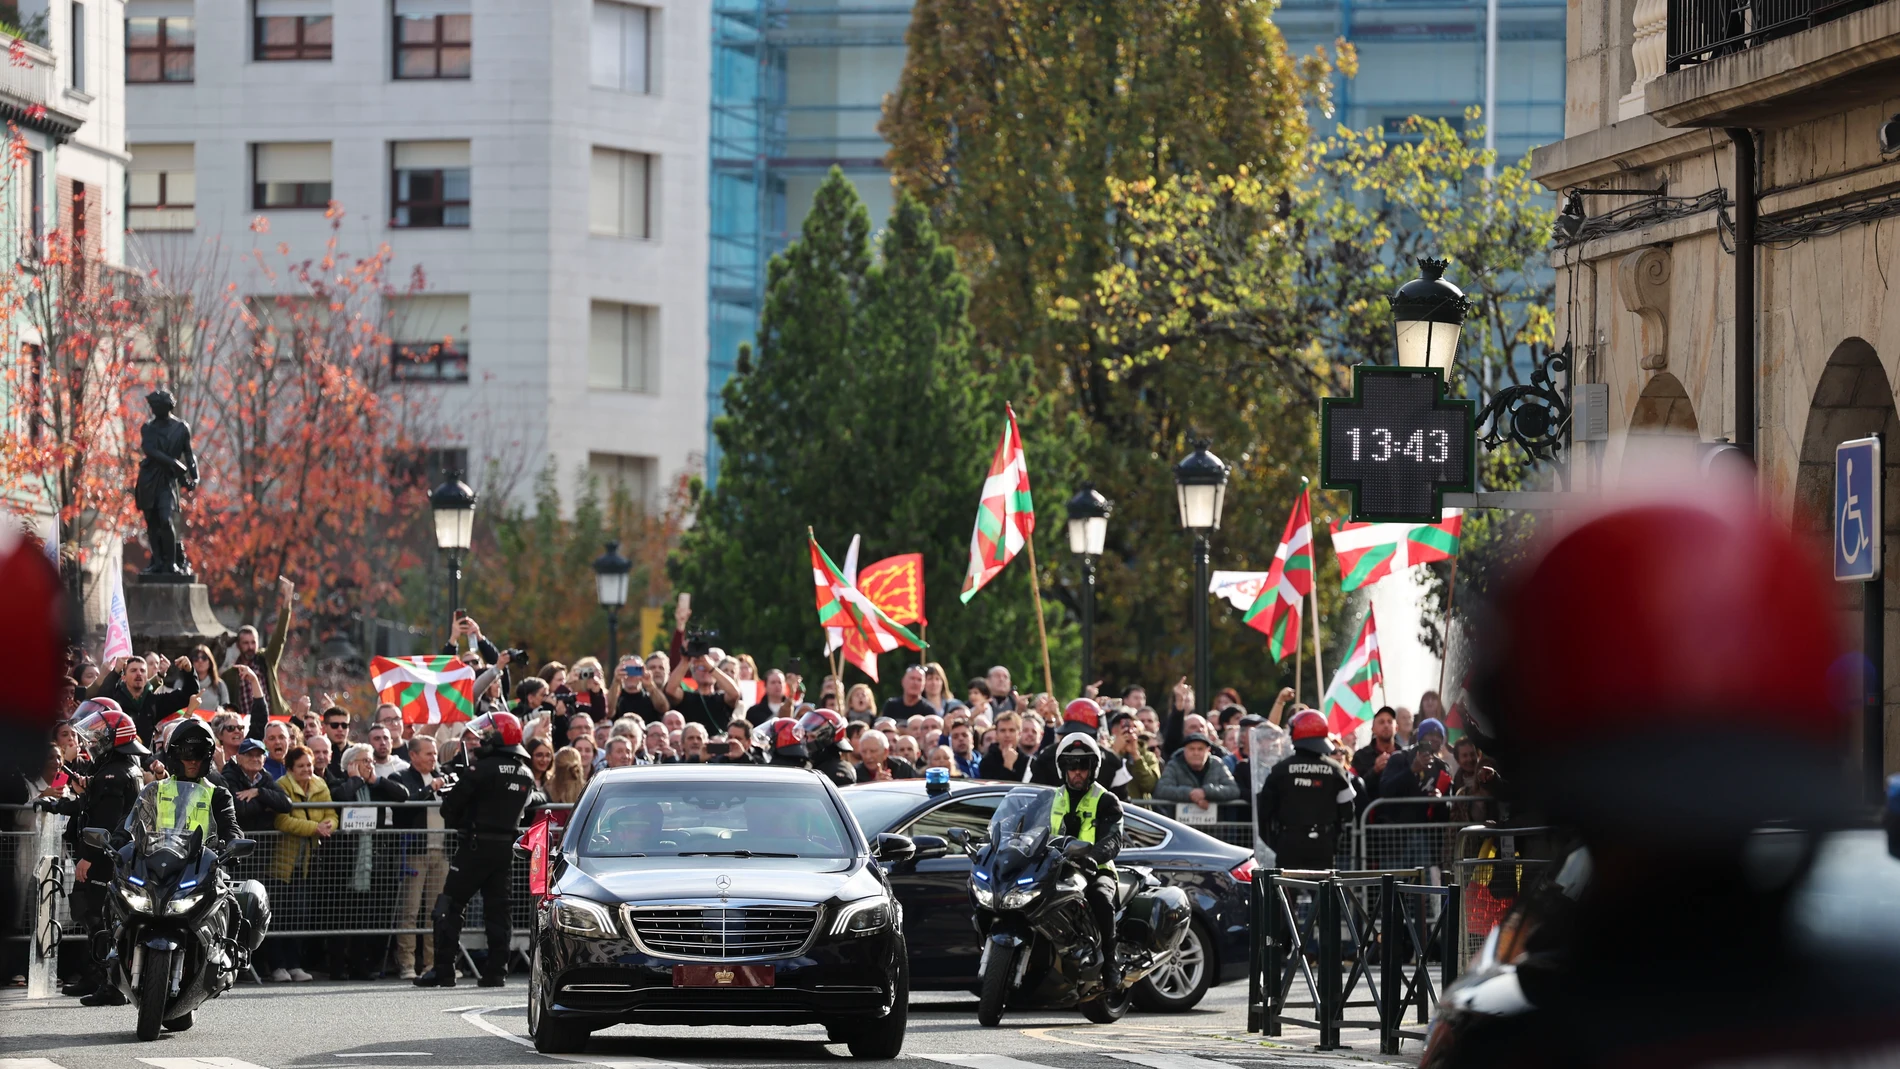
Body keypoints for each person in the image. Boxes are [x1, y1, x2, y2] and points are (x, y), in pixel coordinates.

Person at [415, 711, 540, 988]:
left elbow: (450, 810)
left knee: (449, 905)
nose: (481, 739)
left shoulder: (479, 769)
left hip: (474, 847)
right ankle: (497, 971)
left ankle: (444, 970)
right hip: (504, 850)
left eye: (486, 733)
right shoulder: (525, 772)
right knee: (499, 910)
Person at [38, 699, 147, 1003]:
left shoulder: (115, 773)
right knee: (92, 915)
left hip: (103, 858)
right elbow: (92, 805)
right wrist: (63, 802)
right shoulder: (118, 768)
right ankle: (96, 977)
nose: (94, 740)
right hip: (111, 856)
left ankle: (110, 985)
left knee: (100, 918)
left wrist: (88, 856)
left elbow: (105, 821)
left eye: (102, 735)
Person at [1050, 733, 1125, 989]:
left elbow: (1113, 839)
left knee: (1101, 899)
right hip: (1056, 868)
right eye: (1071, 765)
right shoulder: (1051, 798)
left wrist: (1093, 857)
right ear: (1063, 769)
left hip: (1095, 870)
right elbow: (1029, 829)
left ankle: (1110, 961)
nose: (1077, 772)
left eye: (1083, 766)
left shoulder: (1106, 800)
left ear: (1093, 769)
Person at [1256, 710, 1355, 870]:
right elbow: (1348, 813)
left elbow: (1264, 813)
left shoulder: (1281, 770)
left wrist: (1277, 842)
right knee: (1323, 893)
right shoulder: (1336, 770)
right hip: (1323, 845)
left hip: (1288, 844)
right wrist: (1333, 840)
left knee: (1285, 894)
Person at [391, 734, 452, 980]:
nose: (434, 758)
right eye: (428, 753)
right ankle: (406, 963)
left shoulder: (444, 777)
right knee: (410, 910)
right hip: (415, 852)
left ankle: (431, 963)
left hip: (441, 852)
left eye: (435, 753)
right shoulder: (401, 778)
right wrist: (430, 789)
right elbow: (406, 804)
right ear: (413, 755)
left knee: (435, 911)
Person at [269, 746, 332, 982]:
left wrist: (327, 827)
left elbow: (331, 814)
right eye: (301, 766)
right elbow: (282, 820)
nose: (306, 769)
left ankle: (295, 964)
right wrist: (313, 828)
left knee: (299, 914)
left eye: (309, 765)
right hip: (281, 862)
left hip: (307, 862)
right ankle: (278, 966)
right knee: (279, 914)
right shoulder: (281, 785)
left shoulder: (320, 785)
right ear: (290, 769)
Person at [1154, 732, 1242, 812]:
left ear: (1208, 751)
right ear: (1184, 750)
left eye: (1200, 749)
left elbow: (1233, 790)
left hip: (1214, 828)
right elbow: (1161, 790)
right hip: (1179, 826)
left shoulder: (1217, 764)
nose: (1196, 753)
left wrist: (1206, 792)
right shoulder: (1174, 764)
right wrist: (1190, 794)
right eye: (1192, 749)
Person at [223, 738, 292, 834]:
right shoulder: (229, 776)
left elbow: (286, 804)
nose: (255, 759)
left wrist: (259, 792)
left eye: (259, 755)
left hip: (264, 844)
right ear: (238, 758)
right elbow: (240, 810)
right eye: (249, 755)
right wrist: (269, 804)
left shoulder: (266, 777)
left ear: (264, 759)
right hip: (238, 841)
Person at [665, 652, 741, 736]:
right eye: (701, 668)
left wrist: (711, 668)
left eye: (708, 669)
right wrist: (685, 661)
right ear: (693, 674)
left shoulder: (722, 698)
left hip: (717, 745)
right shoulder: (685, 697)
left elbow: (735, 694)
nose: (706, 671)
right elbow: (670, 690)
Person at [1350, 707, 1401, 812]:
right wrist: (1375, 770)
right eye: (1381, 722)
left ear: (1396, 728)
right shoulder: (1361, 756)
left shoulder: (1404, 754)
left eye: (1390, 722)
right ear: (1373, 729)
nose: (1386, 725)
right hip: (1372, 818)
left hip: (1399, 816)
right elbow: (1357, 789)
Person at [795, 707, 855, 787]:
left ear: (826, 739)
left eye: (812, 736)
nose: (807, 741)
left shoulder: (838, 772)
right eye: (806, 736)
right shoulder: (812, 766)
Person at [1107, 710, 1160, 799]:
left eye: (1134, 727)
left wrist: (1136, 755)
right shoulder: (1104, 753)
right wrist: (1115, 751)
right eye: (1124, 727)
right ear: (1114, 731)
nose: (1130, 731)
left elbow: (1150, 786)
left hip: (1138, 811)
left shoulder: (1148, 756)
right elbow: (1102, 781)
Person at [977, 710, 1033, 782]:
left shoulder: (1028, 761)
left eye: (1012, 730)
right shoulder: (987, 761)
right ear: (996, 734)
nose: (1007, 735)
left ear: (1019, 733)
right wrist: (1007, 765)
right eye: (1003, 730)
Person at [853, 729, 918, 782]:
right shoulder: (854, 774)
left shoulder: (902, 767)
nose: (868, 756)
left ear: (885, 752)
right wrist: (874, 784)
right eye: (864, 752)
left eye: (873, 751)